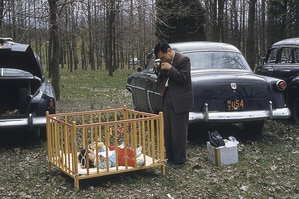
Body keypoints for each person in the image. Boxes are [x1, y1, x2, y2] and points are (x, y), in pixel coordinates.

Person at [154, 41, 194, 169]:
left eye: (163, 57)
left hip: (180, 100)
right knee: (168, 130)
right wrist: (158, 69)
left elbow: (183, 78)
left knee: (179, 131)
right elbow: (161, 79)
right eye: (160, 59)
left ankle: (180, 160)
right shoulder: (166, 63)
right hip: (168, 97)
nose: (163, 60)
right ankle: (170, 157)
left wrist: (170, 68)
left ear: (169, 51)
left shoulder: (184, 60)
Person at [78, 144, 144, 169]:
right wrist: (103, 160)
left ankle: (134, 153)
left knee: (123, 150)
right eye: (89, 153)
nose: (91, 152)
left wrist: (99, 146)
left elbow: (104, 149)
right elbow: (107, 165)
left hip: (114, 153)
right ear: (90, 162)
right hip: (117, 160)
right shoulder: (97, 162)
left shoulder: (96, 153)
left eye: (90, 151)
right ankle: (135, 162)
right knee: (126, 160)